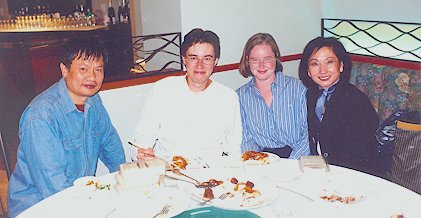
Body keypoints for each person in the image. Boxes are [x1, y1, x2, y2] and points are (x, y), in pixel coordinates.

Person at [8, 39, 126, 217]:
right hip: (38, 206)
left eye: (98, 69)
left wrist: (125, 181)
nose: (92, 77)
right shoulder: (42, 115)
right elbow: (53, 184)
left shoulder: (93, 101)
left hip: (77, 197)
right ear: (65, 70)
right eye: (84, 69)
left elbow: (109, 142)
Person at [131, 28, 242, 162]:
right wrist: (140, 153)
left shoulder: (227, 98)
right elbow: (142, 138)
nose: (200, 65)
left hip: (211, 174)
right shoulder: (163, 90)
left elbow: (233, 149)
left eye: (207, 58)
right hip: (168, 171)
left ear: (215, 61)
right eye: (193, 58)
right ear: (184, 59)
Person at [298, 36, 379, 174]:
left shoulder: (356, 101)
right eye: (315, 64)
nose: (322, 71)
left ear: (341, 66)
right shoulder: (308, 96)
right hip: (318, 170)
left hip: (351, 174)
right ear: (308, 71)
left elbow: (359, 154)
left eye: (329, 62)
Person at [236, 33, 310, 159]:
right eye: (255, 60)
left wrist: (290, 164)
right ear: (247, 60)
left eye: (267, 59)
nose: (261, 65)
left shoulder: (298, 89)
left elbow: (308, 134)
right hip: (261, 162)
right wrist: (259, 163)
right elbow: (245, 139)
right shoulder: (240, 96)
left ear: (276, 58)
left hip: (298, 159)